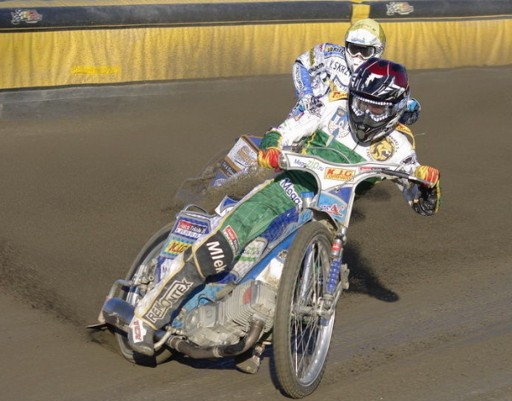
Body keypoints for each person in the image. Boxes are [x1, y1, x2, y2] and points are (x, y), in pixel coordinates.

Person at [128, 58, 441, 356]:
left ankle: (253, 331)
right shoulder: (332, 107)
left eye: (374, 107)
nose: (364, 112)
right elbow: (290, 127)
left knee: (283, 283)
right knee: (219, 249)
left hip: (328, 217)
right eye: (360, 102)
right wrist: (272, 145)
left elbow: (418, 198)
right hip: (284, 191)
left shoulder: (400, 146)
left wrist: (427, 187)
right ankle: (147, 318)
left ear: (395, 108)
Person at [292, 18, 420, 125]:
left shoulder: (387, 75)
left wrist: (407, 110)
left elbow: (405, 113)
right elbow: (301, 63)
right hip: (309, 117)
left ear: (379, 50)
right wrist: (306, 95)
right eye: (354, 49)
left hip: (345, 130)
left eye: (365, 51)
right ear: (346, 44)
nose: (358, 56)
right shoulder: (328, 52)